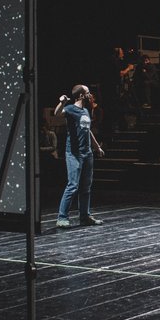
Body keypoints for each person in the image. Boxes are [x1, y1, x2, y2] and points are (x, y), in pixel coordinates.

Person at [55, 85, 105, 228]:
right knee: (73, 185)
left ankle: (85, 216)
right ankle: (62, 217)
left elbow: (87, 131)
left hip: (87, 153)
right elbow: (57, 113)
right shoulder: (71, 109)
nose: (90, 95)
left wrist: (97, 147)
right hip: (74, 153)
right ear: (82, 95)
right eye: (88, 93)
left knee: (86, 187)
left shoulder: (86, 111)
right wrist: (62, 102)